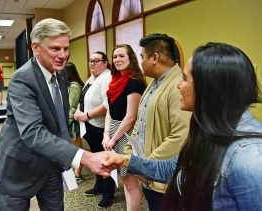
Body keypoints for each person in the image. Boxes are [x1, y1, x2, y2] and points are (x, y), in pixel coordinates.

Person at [104, 42, 262, 210]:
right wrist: (126, 160)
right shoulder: (209, 129)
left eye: (185, 79)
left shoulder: (250, 158)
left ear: (208, 87)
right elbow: (176, 167)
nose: (179, 84)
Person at [0, 18, 111, 211]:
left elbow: (59, 121)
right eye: (55, 49)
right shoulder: (22, 79)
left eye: (66, 48)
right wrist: (84, 157)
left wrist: (66, 159)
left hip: (51, 163)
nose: (63, 55)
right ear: (36, 48)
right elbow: (32, 132)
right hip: (19, 166)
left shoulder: (60, 74)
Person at [124, 33, 191, 210]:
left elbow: (180, 136)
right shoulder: (153, 84)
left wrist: (147, 166)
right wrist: (130, 152)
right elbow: (140, 122)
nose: (141, 62)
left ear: (155, 58)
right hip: (149, 173)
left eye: (142, 57)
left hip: (163, 178)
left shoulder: (178, 86)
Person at [102, 44, 146, 210]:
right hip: (113, 133)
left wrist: (112, 139)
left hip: (126, 134)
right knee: (125, 180)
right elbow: (110, 111)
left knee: (129, 181)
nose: (117, 59)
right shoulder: (115, 81)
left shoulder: (134, 82)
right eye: (115, 57)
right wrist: (106, 135)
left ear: (131, 58)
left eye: (122, 56)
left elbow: (130, 118)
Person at [74, 51, 115, 208]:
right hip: (89, 125)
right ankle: (99, 186)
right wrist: (79, 111)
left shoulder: (107, 77)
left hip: (99, 126)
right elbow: (84, 98)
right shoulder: (93, 78)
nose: (92, 64)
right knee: (94, 158)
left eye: (96, 61)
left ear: (105, 63)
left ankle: (108, 193)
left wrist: (87, 115)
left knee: (105, 162)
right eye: (90, 61)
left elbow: (107, 105)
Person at [64, 62, 85, 181]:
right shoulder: (67, 85)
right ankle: (73, 172)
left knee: (77, 149)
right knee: (70, 149)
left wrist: (65, 123)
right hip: (69, 121)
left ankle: (78, 173)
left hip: (73, 123)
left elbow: (72, 107)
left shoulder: (74, 86)